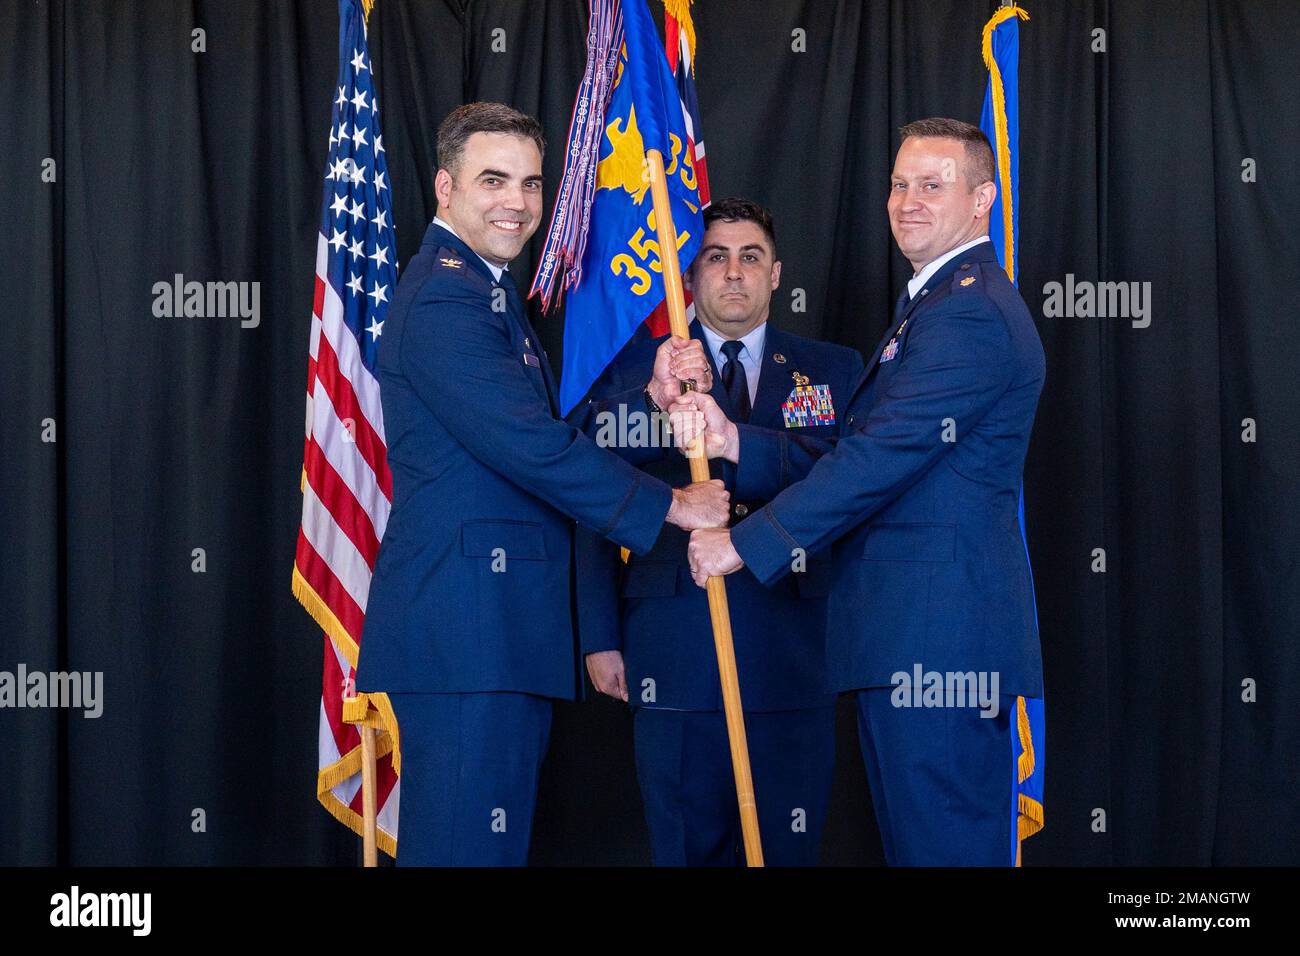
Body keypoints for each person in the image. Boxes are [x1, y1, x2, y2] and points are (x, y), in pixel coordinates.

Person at [354, 102, 729, 866]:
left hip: (497, 637)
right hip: (467, 639)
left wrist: (650, 404)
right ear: (444, 187)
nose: (518, 203)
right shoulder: (444, 300)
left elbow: (538, 436)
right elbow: (532, 448)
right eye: (494, 180)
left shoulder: (485, 293)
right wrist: (672, 505)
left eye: (530, 183)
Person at [685, 118, 1046, 866]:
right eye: (899, 183)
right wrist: (732, 442)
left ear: (983, 199)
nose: (908, 200)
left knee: (945, 850)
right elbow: (862, 452)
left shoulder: (969, 312)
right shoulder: (934, 303)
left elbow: (878, 460)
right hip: (910, 640)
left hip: (939, 646)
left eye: (932, 184)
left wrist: (742, 546)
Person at [575, 198, 864, 865]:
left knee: (785, 848)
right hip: (671, 651)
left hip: (794, 649)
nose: (734, 273)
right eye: (715, 257)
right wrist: (598, 635)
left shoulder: (833, 369)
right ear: (691, 272)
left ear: (776, 272)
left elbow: (854, 483)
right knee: (685, 848)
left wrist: (736, 441)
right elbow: (587, 487)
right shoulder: (635, 370)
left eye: (750, 257)